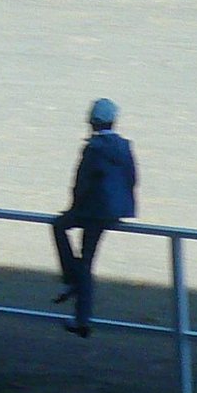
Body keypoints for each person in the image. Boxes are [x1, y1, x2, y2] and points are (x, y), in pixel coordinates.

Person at [52, 98, 137, 339]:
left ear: (92, 123)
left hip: (93, 211)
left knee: (59, 227)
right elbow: (132, 178)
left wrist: (72, 209)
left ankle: (72, 282)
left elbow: (82, 183)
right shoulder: (124, 146)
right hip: (115, 210)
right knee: (87, 259)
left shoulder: (93, 148)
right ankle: (80, 312)